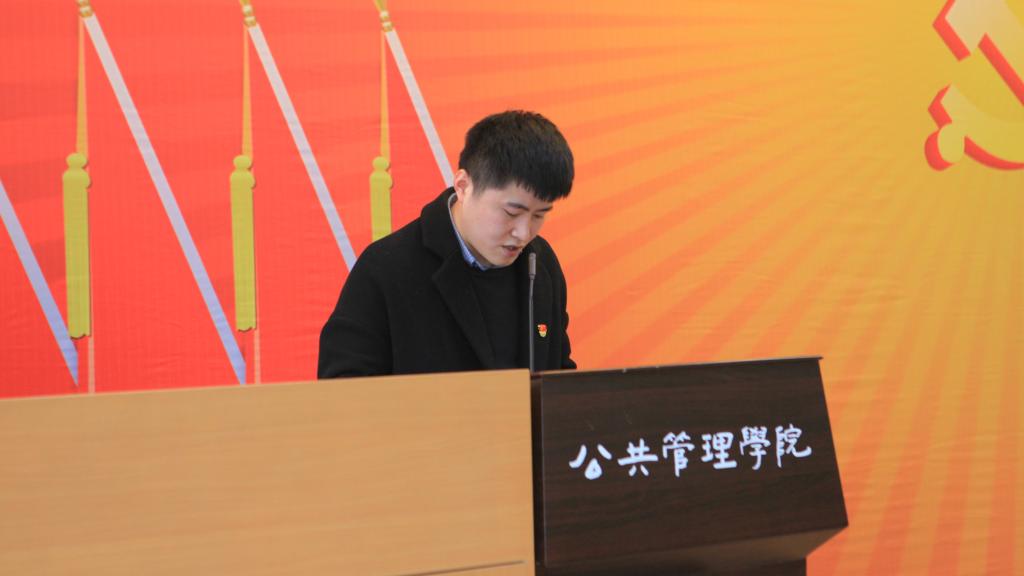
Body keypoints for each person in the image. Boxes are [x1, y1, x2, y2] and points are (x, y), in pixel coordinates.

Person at [317, 110, 576, 378]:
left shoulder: (541, 264)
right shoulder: (386, 268)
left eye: (539, 215)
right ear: (463, 186)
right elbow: (343, 387)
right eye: (511, 213)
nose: (523, 233)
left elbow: (559, 381)